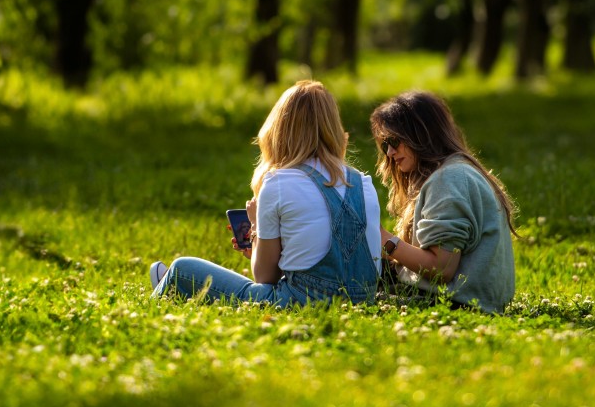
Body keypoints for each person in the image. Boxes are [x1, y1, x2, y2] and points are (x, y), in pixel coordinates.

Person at [150, 80, 381, 306]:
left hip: (301, 301)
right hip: (363, 300)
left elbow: (264, 278)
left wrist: (255, 227)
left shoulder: (279, 182)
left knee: (181, 269)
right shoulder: (363, 183)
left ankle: (167, 288)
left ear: (280, 129)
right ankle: (170, 287)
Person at [370, 91, 517, 313]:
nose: (390, 152)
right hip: (470, 300)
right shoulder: (456, 170)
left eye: (394, 141)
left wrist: (386, 241)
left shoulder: (448, 180)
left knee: (344, 290)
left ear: (421, 135)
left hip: (457, 304)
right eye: (385, 145)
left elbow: (441, 268)